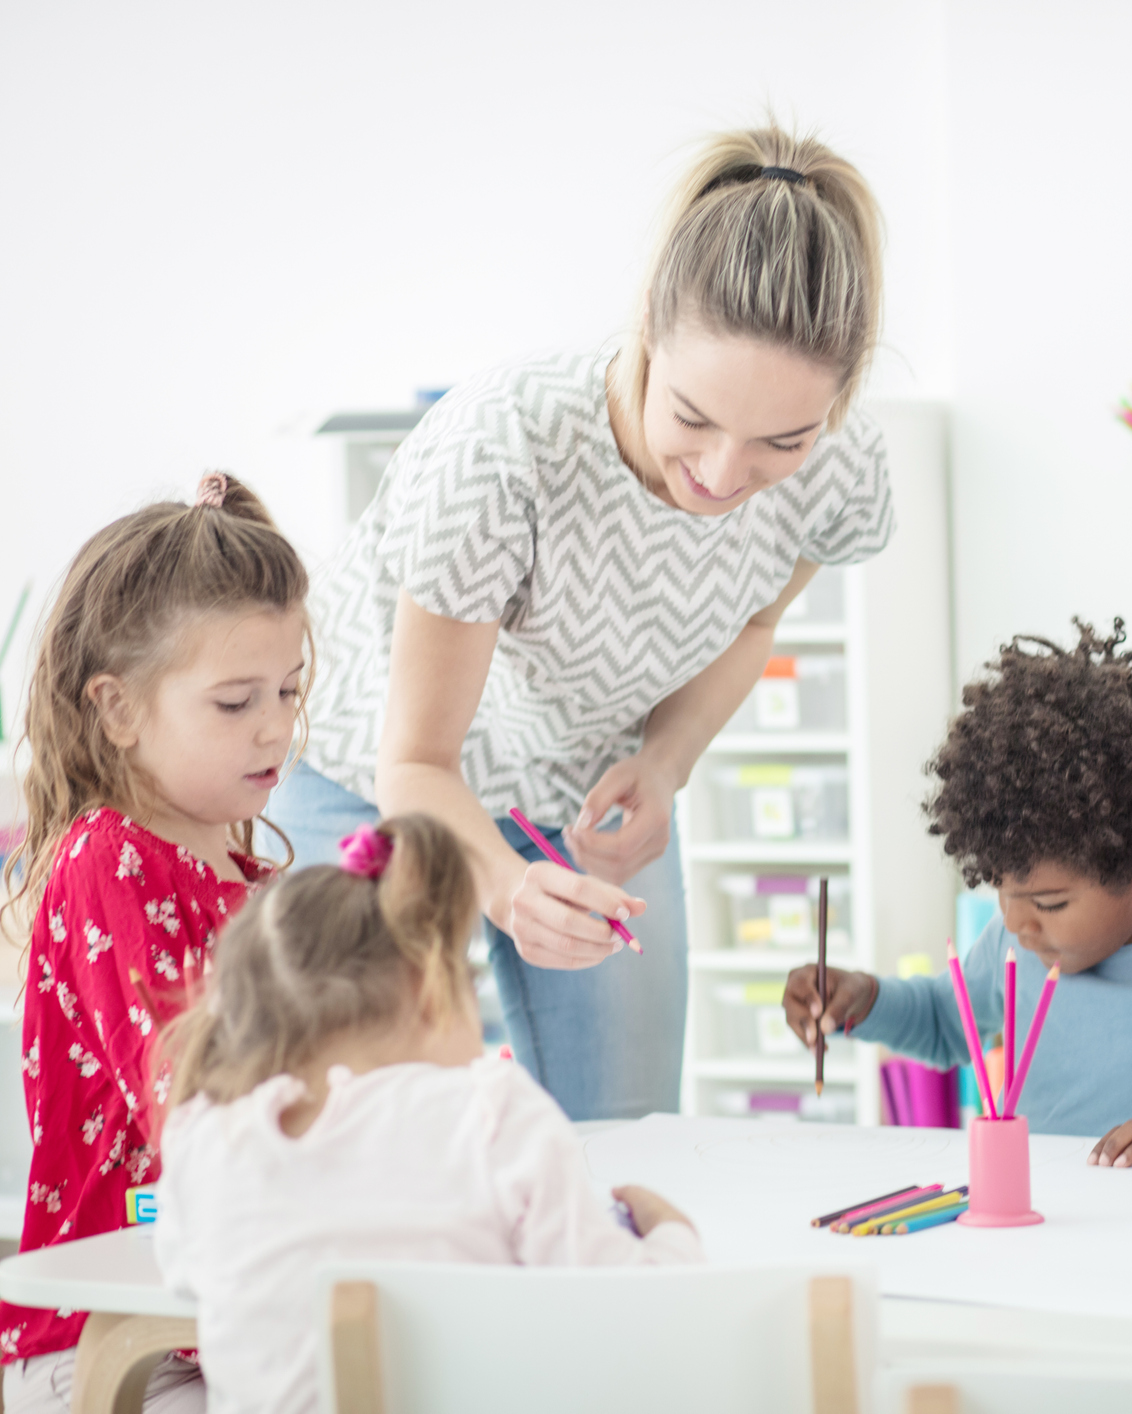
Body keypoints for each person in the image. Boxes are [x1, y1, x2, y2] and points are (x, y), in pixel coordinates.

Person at [277, 123, 895, 1120]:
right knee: (355, 1117)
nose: (724, 475)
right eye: (693, 416)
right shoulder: (504, 448)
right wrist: (504, 889)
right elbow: (417, 762)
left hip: (574, 779)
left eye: (780, 439)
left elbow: (750, 627)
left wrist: (664, 765)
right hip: (374, 771)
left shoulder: (839, 468)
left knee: (627, 1123)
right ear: (647, 327)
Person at [156, 814, 703, 1414]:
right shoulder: (494, 1113)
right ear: (429, 988)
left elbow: (186, 1280)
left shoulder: (204, 1136)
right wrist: (672, 1234)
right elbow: (632, 1313)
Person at [786, 620, 1132, 1167]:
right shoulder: (1018, 948)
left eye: (1050, 903)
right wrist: (862, 999)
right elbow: (944, 1022)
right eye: (1003, 893)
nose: (1016, 923)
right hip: (1045, 1234)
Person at [0, 474, 307, 1412]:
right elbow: (191, 1095)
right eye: (234, 702)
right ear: (120, 710)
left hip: (218, 1310)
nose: (276, 725)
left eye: (289, 690)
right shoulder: (112, 862)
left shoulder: (250, 878)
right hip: (113, 1331)